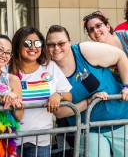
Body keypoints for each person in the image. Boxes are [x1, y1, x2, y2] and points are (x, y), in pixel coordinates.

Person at [46, 25, 128, 157]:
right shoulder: (48, 70)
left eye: (61, 43)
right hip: (89, 128)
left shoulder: (84, 50)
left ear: (69, 42)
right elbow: (60, 113)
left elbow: (120, 56)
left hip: (121, 120)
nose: (56, 48)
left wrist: (127, 86)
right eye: (51, 44)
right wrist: (89, 101)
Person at [8, 26, 72, 157]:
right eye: (27, 43)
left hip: (40, 140)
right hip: (9, 139)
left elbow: (69, 95)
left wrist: (57, 95)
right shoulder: (6, 68)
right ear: (17, 45)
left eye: (37, 43)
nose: (33, 47)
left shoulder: (49, 67)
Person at [83, 10, 128, 82]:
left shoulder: (125, 36)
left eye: (98, 26)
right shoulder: (95, 54)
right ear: (90, 36)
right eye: (91, 30)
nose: (95, 31)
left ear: (108, 26)